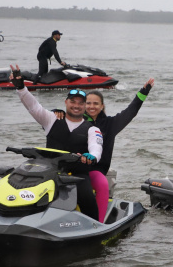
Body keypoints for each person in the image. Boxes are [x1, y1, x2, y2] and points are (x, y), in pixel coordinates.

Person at [9, 65, 102, 221]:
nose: (76, 105)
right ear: (66, 102)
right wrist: (20, 87)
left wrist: (91, 157)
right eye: (73, 102)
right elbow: (33, 106)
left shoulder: (92, 129)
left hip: (78, 175)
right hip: (50, 172)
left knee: (87, 198)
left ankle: (95, 227)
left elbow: (96, 148)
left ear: (85, 106)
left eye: (81, 103)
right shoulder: (51, 119)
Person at [83, 80, 154, 222]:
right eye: (88, 103)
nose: (92, 106)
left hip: (97, 171)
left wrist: (143, 93)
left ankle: (99, 222)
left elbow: (130, 112)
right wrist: (57, 112)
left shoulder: (111, 124)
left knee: (102, 183)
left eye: (96, 103)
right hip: (77, 168)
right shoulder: (77, 121)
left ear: (102, 106)